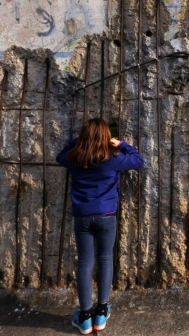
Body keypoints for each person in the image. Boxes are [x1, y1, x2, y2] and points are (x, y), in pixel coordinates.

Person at [57, 118, 144, 334]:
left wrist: (78, 142)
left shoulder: (74, 157)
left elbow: (60, 155)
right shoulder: (113, 158)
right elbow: (138, 160)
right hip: (106, 215)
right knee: (105, 259)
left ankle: (85, 317)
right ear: (106, 137)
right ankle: (102, 312)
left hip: (82, 217)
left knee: (85, 263)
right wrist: (120, 143)